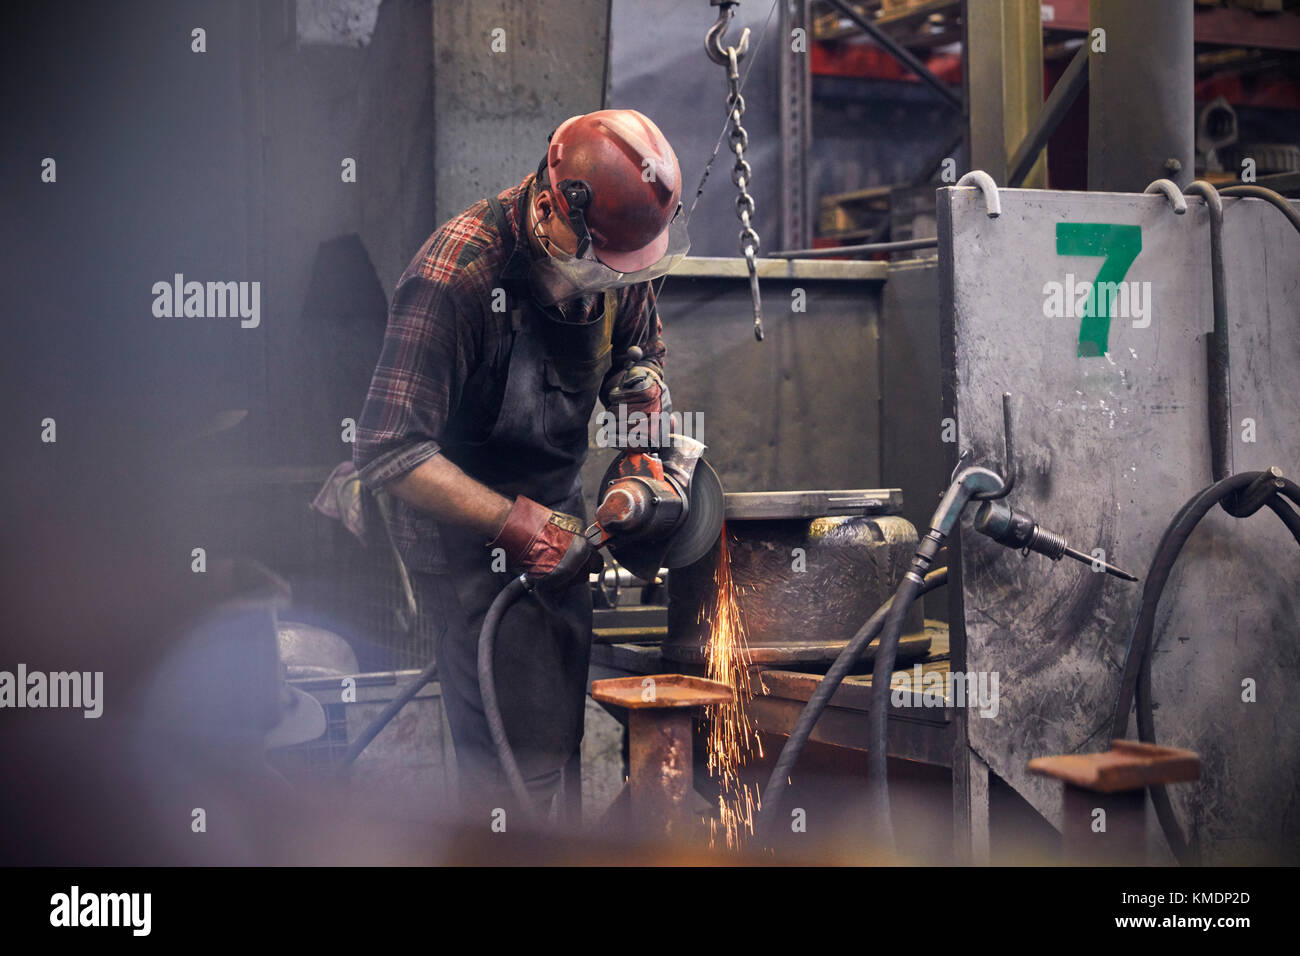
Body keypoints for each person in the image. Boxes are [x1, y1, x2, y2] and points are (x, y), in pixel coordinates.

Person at [354, 109, 686, 819]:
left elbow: (640, 359)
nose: (612, 279)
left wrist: (640, 439)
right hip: (463, 532)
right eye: (598, 262)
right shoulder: (457, 274)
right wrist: (516, 527)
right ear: (549, 208)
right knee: (518, 771)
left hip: (556, 510)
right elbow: (388, 448)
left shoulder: (619, 249)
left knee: (551, 746)